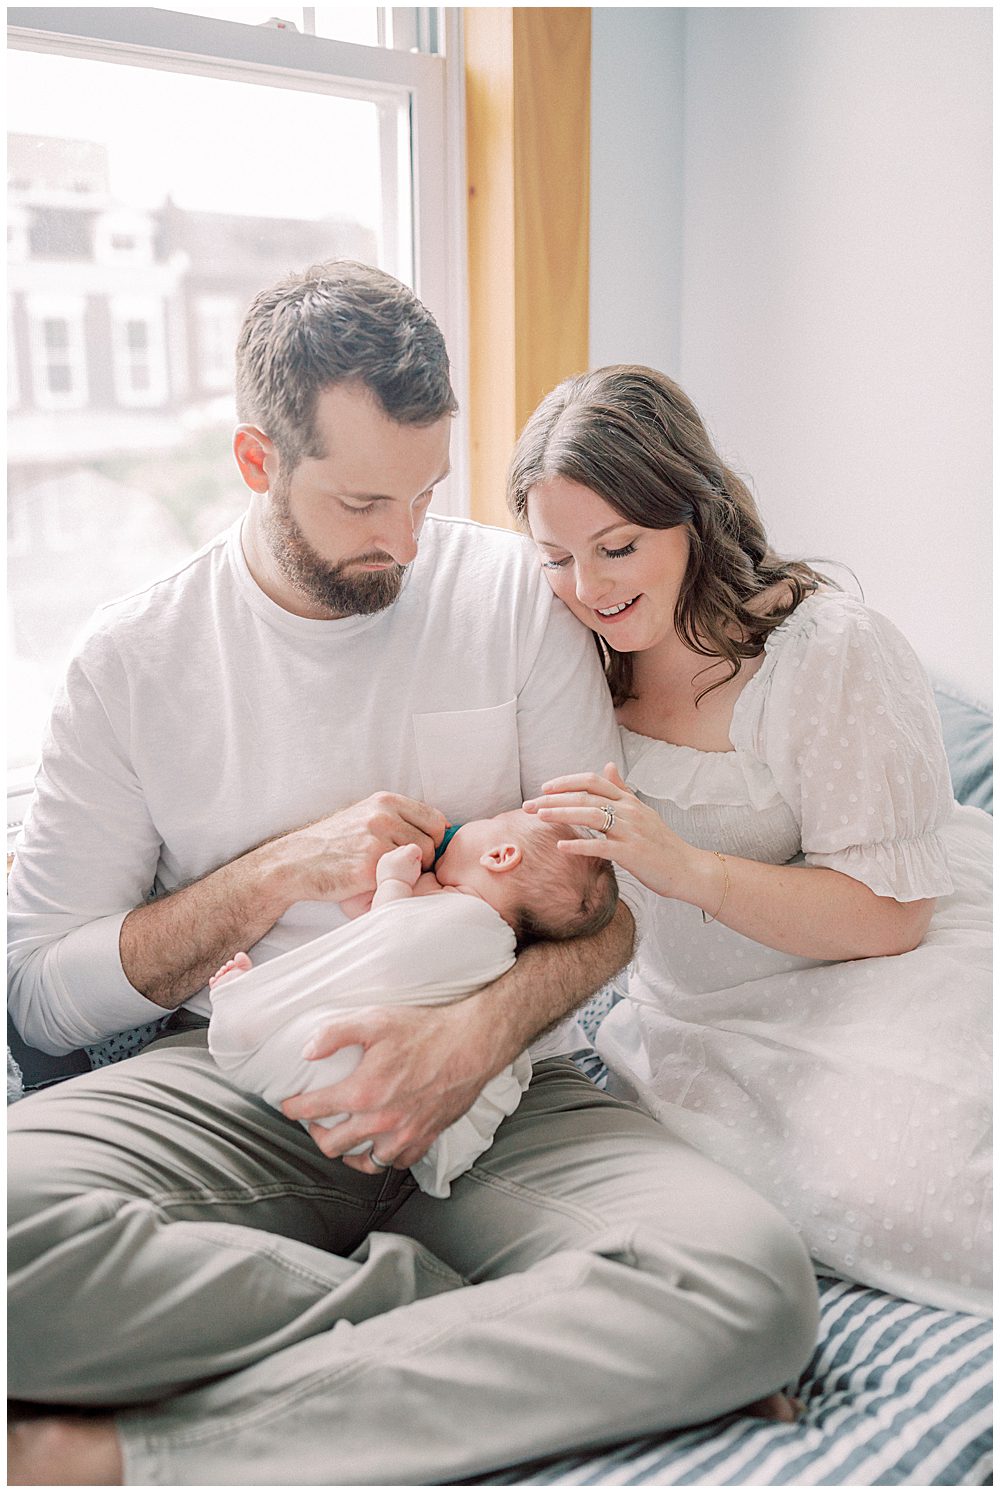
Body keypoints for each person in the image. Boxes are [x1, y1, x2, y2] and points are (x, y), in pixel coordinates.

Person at [7, 267, 818, 1487]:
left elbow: (609, 910)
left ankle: (139, 1452)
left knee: (747, 1285)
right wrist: (264, 876)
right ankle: (473, 1315)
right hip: (240, 1085)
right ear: (253, 460)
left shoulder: (508, 594)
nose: (403, 539)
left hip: (497, 1091)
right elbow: (35, 992)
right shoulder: (135, 661)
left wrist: (465, 1042)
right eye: (361, 499)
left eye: (427, 492)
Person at [510, 363, 992, 1318]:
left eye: (618, 547)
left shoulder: (829, 650)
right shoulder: (560, 657)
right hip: (702, 1016)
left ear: (690, 515)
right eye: (556, 557)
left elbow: (892, 917)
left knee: (937, 1170)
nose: (588, 588)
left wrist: (685, 870)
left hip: (883, 962)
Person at [207, 817, 619, 1197]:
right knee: (330, 1037)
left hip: (385, 1070)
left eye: (491, 822)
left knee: (310, 1042)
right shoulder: (455, 913)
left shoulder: (470, 926)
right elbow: (368, 925)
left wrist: (391, 880)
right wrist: (393, 887)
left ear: (499, 856)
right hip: (390, 1076)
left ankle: (250, 1007)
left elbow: (391, 941)